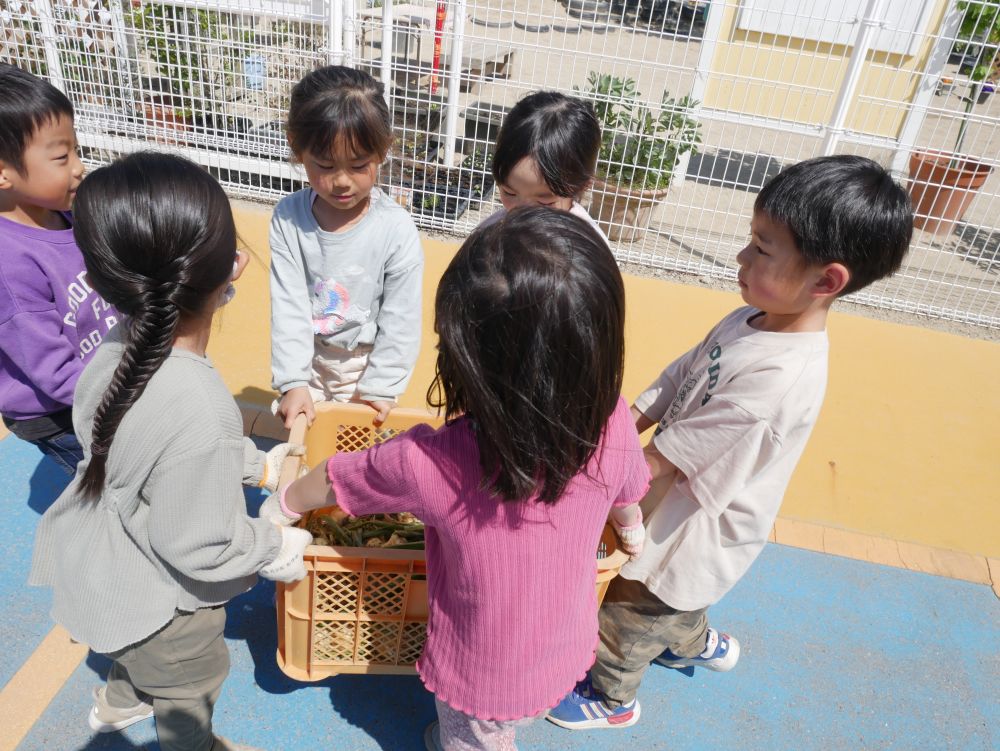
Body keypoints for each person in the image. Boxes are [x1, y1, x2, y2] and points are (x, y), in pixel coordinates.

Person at [547, 154, 914, 730]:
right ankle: (693, 642)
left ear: (827, 280)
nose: (742, 257)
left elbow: (665, 462)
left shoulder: (779, 382)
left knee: (629, 611)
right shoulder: (753, 316)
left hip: (697, 527)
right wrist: (627, 417)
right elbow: (682, 374)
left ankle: (612, 700)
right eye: (752, 239)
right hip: (673, 499)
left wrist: (595, 496)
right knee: (677, 604)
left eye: (764, 249)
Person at [264, 207, 651, 751]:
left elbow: (336, 479)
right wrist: (632, 534)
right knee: (508, 719)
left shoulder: (436, 459)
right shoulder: (610, 417)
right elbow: (629, 493)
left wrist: (282, 503)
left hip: (481, 670)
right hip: (562, 647)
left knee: (474, 736)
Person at [29, 153, 312, 751]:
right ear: (229, 270)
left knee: (131, 652)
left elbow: (146, 445)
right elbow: (199, 545)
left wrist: (249, 465)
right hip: (166, 607)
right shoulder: (201, 400)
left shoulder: (115, 350)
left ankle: (118, 703)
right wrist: (275, 545)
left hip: (105, 566)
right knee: (190, 687)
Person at [270, 65, 423, 430]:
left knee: (353, 460)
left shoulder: (396, 229)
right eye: (324, 165)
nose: (341, 182)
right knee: (305, 450)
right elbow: (289, 307)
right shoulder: (288, 219)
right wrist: (293, 381)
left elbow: (401, 320)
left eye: (358, 165)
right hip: (310, 359)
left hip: (366, 365)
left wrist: (381, 387)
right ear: (297, 148)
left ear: (383, 149)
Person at [0, 63, 118, 474]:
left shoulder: (65, 214)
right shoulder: (9, 266)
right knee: (109, 483)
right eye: (61, 156)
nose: (78, 166)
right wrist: (128, 389)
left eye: (77, 150)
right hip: (59, 413)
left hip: (103, 382)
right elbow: (51, 371)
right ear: (2, 172)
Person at [480, 90, 608, 242]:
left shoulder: (586, 246)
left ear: (583, 185)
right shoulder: (491, 230)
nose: (521, 212)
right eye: (509, 193)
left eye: (545, 202)